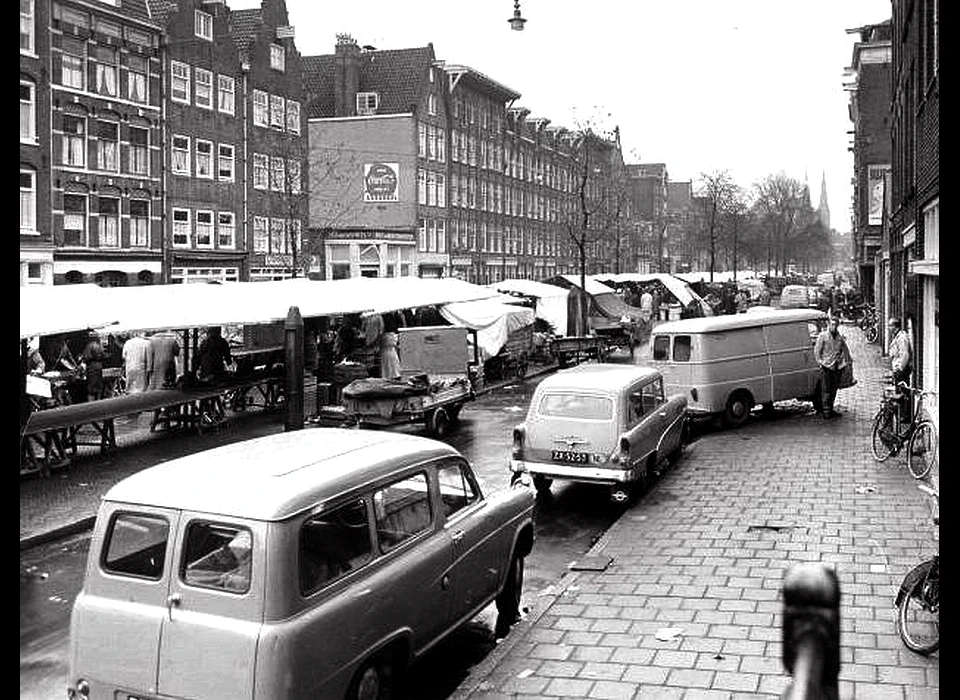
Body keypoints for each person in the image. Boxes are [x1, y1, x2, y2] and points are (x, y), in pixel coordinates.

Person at [813, 316, 852, 419]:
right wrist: (820, 362)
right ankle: (826, 410)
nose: (834, 327)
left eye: (836, 325)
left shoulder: (839, 337)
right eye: (832, 325)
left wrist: (847, 362)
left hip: (837, 366)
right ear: (829, 325)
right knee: (826, 389)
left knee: (834, 389)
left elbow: (845, 349)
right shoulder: (823, 336)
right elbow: (817, 351)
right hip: (826, 366)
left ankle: (831, 408)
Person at [888, 317, 914, 423]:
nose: (889, 328)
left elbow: (905, 354)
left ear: (895, 327)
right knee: (900, 392)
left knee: (903, 392)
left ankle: (905, 415)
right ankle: (902, 413)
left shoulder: (902, 338)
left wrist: (900, 368)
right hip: (898, 370)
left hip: (902, 371)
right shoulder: (897, 336)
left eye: (890, 326)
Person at [82, 332, 106, 400]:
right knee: (98, 387)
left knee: (91, 389)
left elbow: (86, 356)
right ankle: (98, 402)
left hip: (92, 367)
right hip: (99, 366)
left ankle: (91, 404)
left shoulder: (90, 345)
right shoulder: (99, 346)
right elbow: (103, 355)